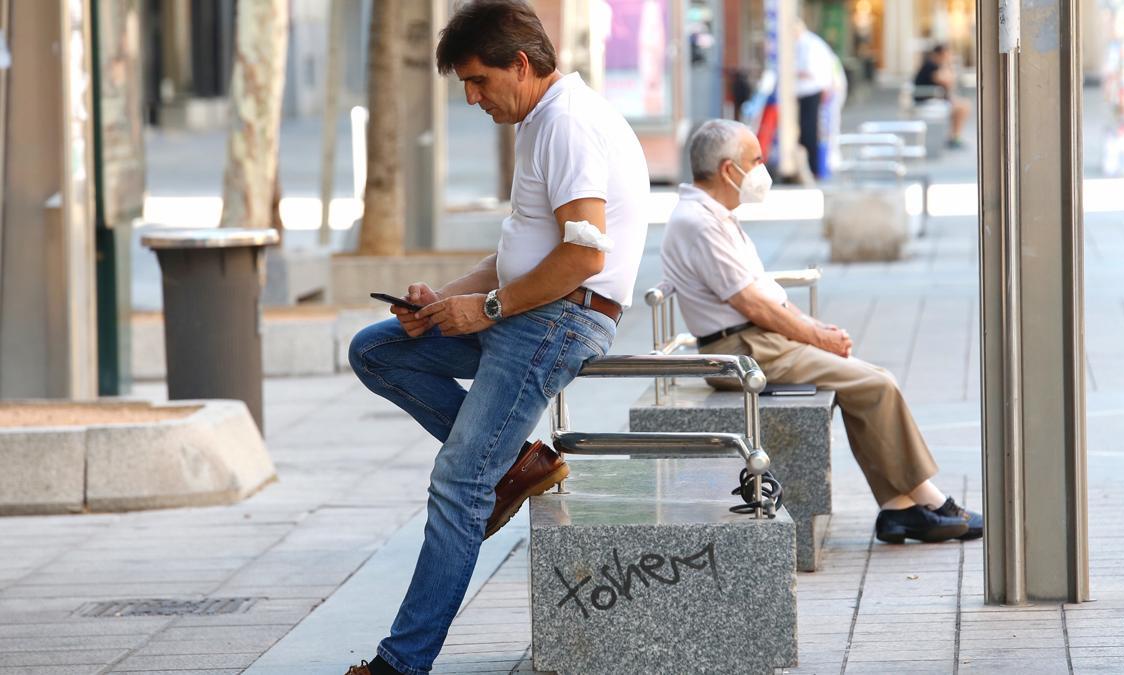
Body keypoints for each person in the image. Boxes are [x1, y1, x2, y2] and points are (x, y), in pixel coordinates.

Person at [344, 2, 649, 673]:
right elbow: (522, 253)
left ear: (521, 62)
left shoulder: (565, 123)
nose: (472, 97)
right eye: (464, 86)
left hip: (561, 319)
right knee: (377, 348)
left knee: (458, 483)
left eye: (479, 81)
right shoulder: (542, 119)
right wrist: (446, 299)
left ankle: (402, 662)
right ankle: (510, 466)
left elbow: (583, 256)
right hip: (533, 309)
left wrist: (484, 309)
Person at [660, 119, 982, 545]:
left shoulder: (712, 216)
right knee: (876, 383)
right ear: (727, 170)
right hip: (743, 349)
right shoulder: (700, 222)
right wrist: (817, 336)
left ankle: (900, 509)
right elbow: (752, 304)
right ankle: (928, 503)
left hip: (755, 341)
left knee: (868, 382)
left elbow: (762, 296)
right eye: (755, 160)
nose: (762, 168)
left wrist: (815, 329)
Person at [794, 19, 838, 177]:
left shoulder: (810, 45)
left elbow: (809, 71)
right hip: (806, 92)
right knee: (807, 131)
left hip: (812, 91)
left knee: (810, 131)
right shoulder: (806, 43)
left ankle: (815, 168)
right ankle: (811, 167)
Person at [913, 44, 970, 148]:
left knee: (963, 105)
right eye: (946, 54)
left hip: (934, 99)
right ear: (938, 54)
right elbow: (947, 81)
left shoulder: (934, 65)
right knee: (961, 107)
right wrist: (947, 64)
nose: (948, 57)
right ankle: (954, 137)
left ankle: (954, 136)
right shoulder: (930, 66)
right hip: (926, 100)